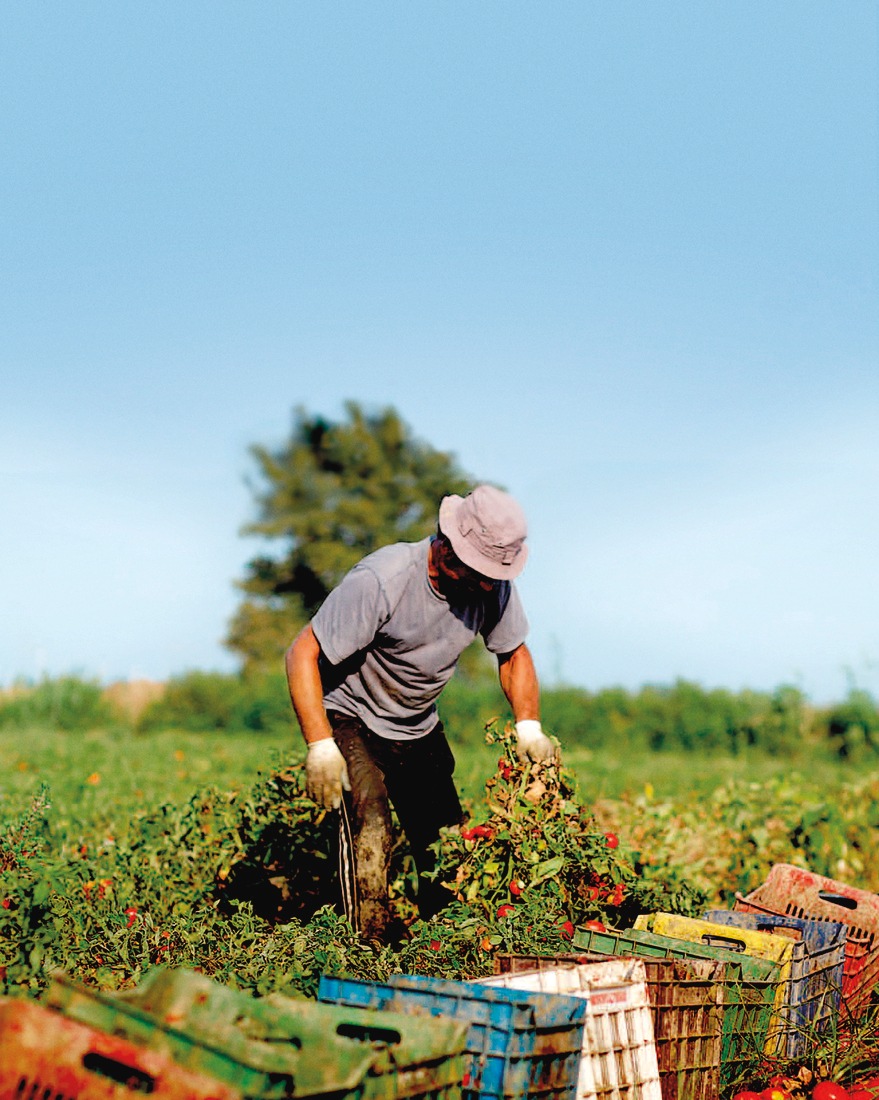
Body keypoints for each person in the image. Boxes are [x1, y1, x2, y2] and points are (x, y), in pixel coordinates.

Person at [284, 484, 555, 941]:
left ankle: (444, 943)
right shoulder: (383, 580)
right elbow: (302, 653)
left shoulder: (493, 587)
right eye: (479, 573)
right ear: (447, 549)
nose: (487, 586)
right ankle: (366, 946)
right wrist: (320, 744)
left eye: (494, 575)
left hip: (416, 724)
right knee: (370, 827)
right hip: (351, 715)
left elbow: (513, 653)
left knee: (448, 844)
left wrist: (529, 727)